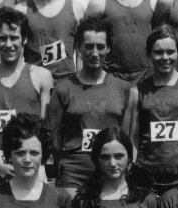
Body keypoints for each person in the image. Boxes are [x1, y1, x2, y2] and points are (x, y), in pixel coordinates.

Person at [50, 17, 134, 196]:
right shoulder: (62, 90)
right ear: (78, 48)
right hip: (73, 176)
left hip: (110, 174)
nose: (95, 53)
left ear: (108, 48)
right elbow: (55, 140)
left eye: (100, 47)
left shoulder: (124, 89)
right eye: (89, 46)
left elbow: (126, 139)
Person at [0, 7, 52, 191]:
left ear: (24, 39)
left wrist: (30, 158)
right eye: (2, 38)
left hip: (29, 158)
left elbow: (44, 128)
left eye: (14, 37)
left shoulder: (42, 76)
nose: (8, 44)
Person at [130, 25, 178, 195]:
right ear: (149, 53)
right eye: (158, 52)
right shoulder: (138, 91)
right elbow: (134, 139)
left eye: (170, 52)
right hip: (148, 179)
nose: (165, 57)